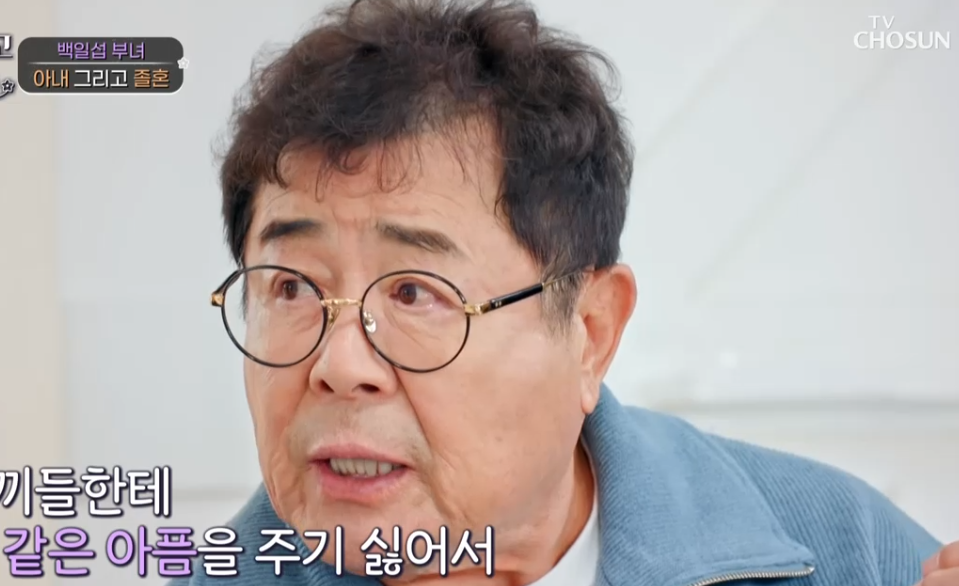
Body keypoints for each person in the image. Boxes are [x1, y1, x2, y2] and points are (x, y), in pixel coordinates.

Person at [174, 1, 957, 584]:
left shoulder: (850, 555)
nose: (339, 365)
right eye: (290, 286)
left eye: (413, 293)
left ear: (590, 330)